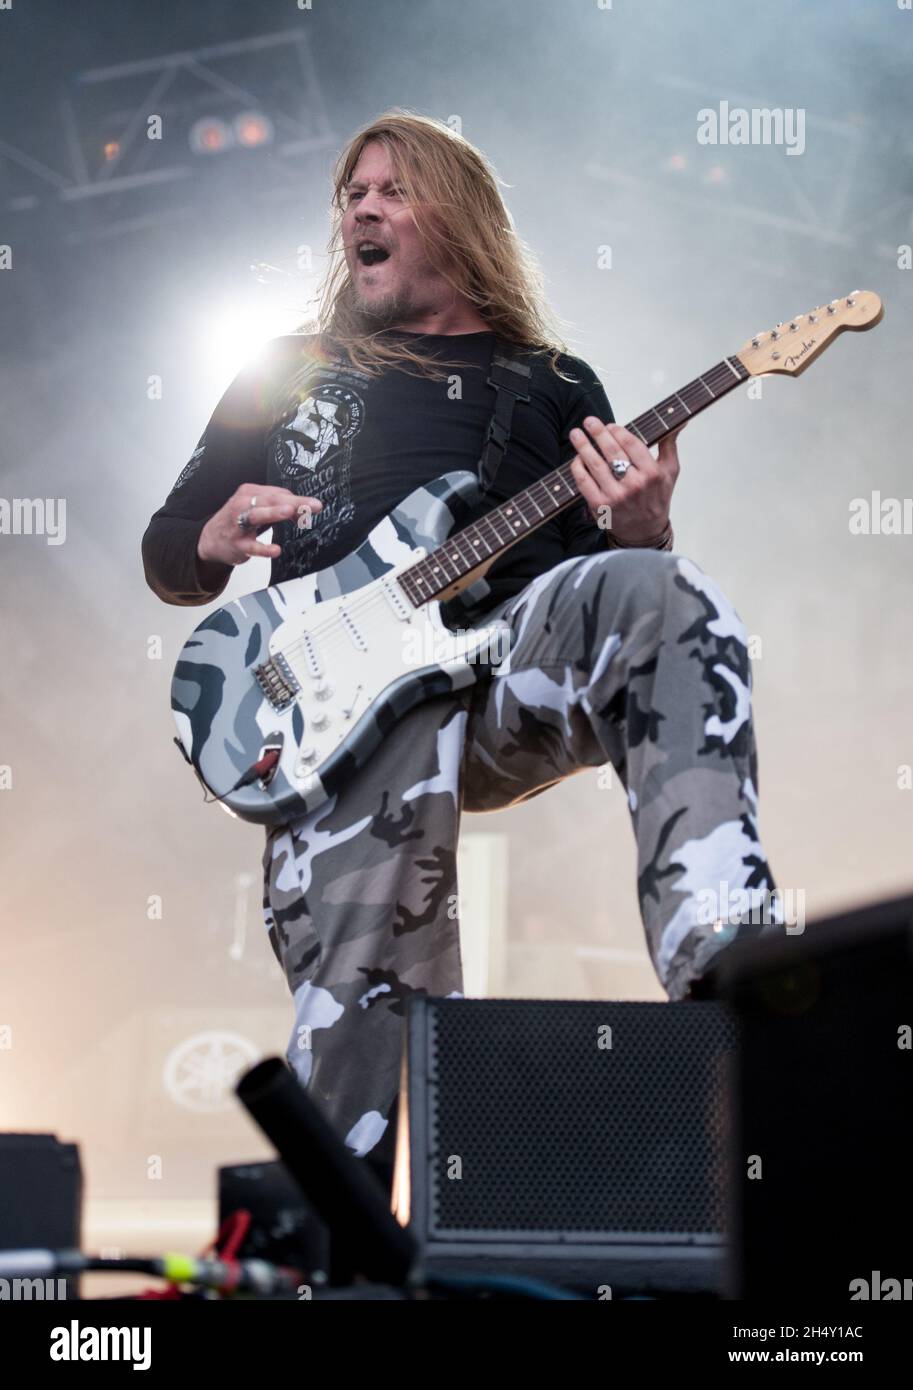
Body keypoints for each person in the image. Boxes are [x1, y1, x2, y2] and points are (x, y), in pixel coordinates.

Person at [142, 111, 781, 1185]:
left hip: (494, 671)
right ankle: (341, 1249)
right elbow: (169, 549)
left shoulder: (555, 383)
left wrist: (643, 530)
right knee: (364, 997)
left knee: (665, 594)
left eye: (390, 189)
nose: (361, 208)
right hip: (332, 705)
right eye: (350, 193)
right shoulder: (288, 367)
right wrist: (206, 540)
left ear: (459, 215)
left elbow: (597, 576)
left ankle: (730, 960)